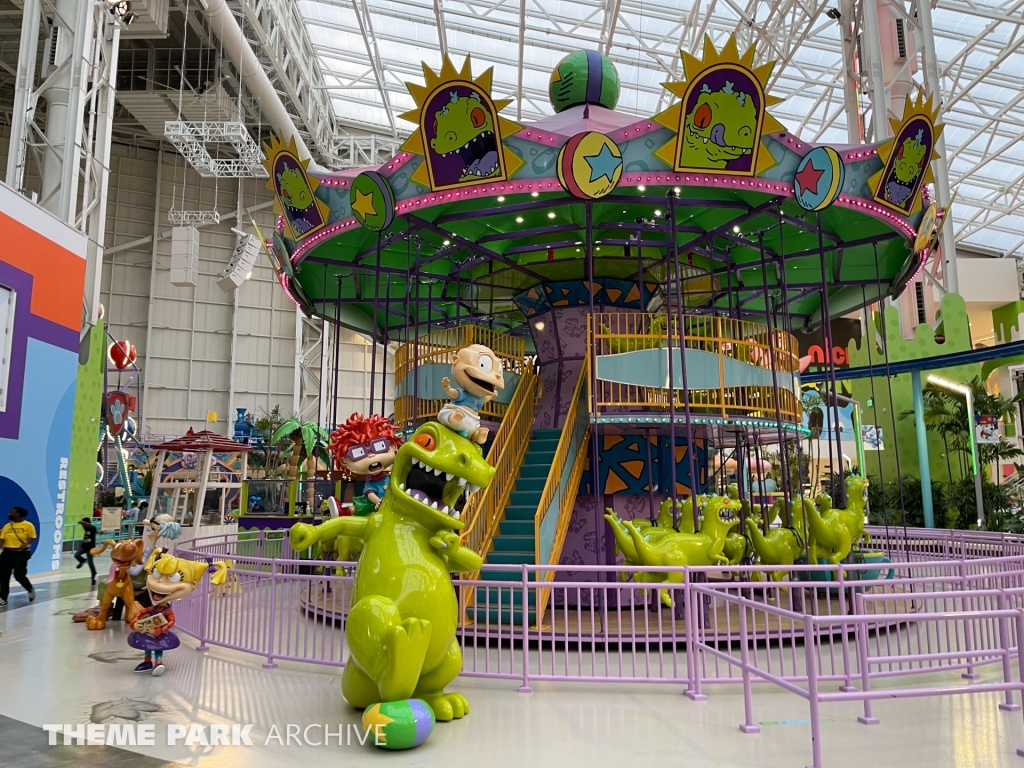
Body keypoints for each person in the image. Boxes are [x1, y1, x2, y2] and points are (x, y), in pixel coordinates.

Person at [0, 506, 36, 606]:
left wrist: (26, 542)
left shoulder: (28, 525)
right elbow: (2, 540)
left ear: (18, 514)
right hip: (7, 553)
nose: (10, 514)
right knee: (3, 576)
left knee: (19, 575)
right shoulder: (7, 526)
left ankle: (30, 589)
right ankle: (3, 598)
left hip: (21, 553)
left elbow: (32, 537)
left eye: (12, 512)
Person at [74, 517, 98, 585]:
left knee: (90, 563)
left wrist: (82, 522)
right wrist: (82, 523)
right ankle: (83, 561)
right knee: (77, 555)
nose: (83, 526)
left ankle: (93, 575)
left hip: (90, 548)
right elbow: (82, 524)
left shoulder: (93, 528)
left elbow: (89, 526)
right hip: (84, 546)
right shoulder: (86, 528)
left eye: (84, 524)